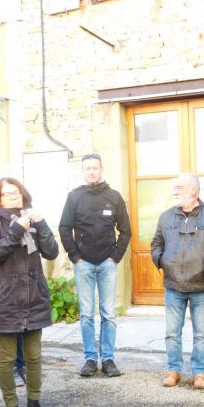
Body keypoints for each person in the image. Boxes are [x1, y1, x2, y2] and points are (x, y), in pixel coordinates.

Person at [0, 177, 59, 407]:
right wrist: (17, 229)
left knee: (34, 356)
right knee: (7, 358)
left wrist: (41, 223)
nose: (14, 197)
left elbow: (51, 252)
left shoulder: (32, 217)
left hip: (32, 295)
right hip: (5, 297)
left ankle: (35, 405)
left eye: (16, 192)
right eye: (7, 194)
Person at [150, 173, 204, 390]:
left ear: (194, 190)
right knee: (172, 332)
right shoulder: (166, 217)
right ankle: (174, 370)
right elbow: (156, 243)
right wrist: (162, 260)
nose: (175, 191)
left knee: (201, 333)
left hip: (201, 285)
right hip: (173, 285)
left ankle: (199, 372)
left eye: (179, 187)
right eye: (174, 187)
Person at [58, 153, 131, 378]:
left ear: (101, 169)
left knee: (108, 313)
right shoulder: (74, 197)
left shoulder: (114, 196)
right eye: (87, 168)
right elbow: (64, 228)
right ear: (83, 171)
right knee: (87, 314)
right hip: (84, 264)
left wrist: (115, 257)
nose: (91, 171)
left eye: (95, 168)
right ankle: (90, 358)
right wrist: (75, 256)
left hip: (107, 263)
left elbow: (126, 230)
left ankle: (108, 358)